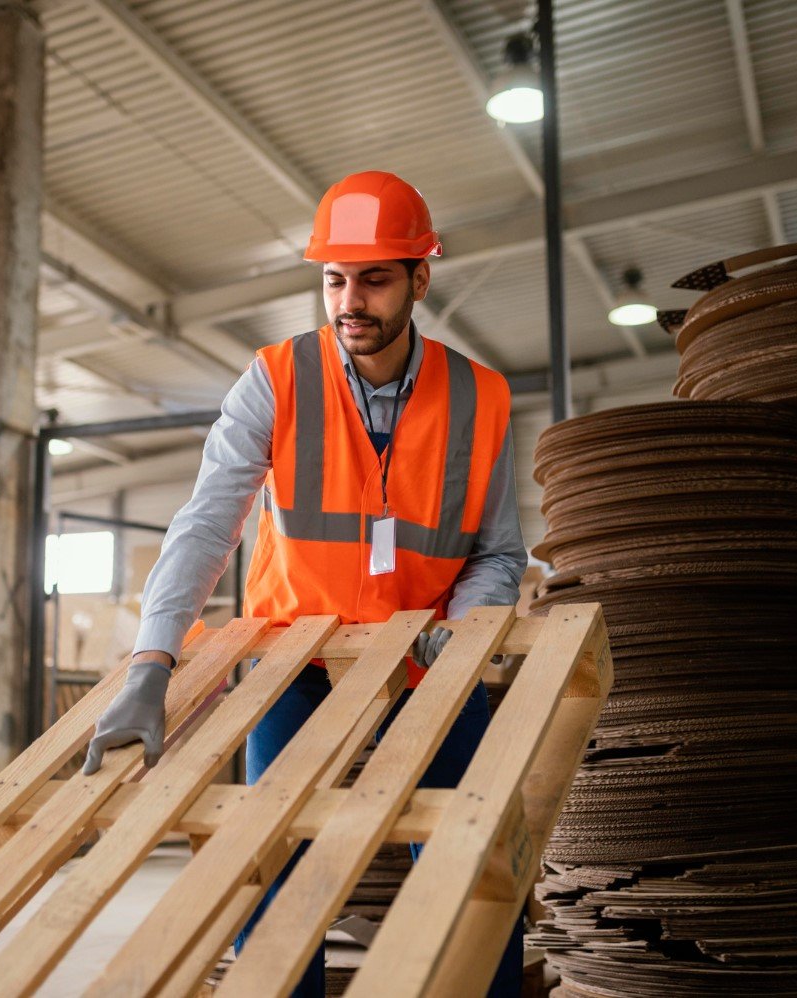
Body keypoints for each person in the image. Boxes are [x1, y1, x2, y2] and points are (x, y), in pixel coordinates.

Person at [83, 170, 528, 997]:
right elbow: (206, 521)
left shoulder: (480, 396)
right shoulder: (276, 378)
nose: (349, 300)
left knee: (473, 865)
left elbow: (499, 554)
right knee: (272, 872)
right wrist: (150, 662)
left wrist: (466, 634)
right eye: (334, 279)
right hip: (295, 666)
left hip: (430, 662)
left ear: (419, 278)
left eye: (373, 278)